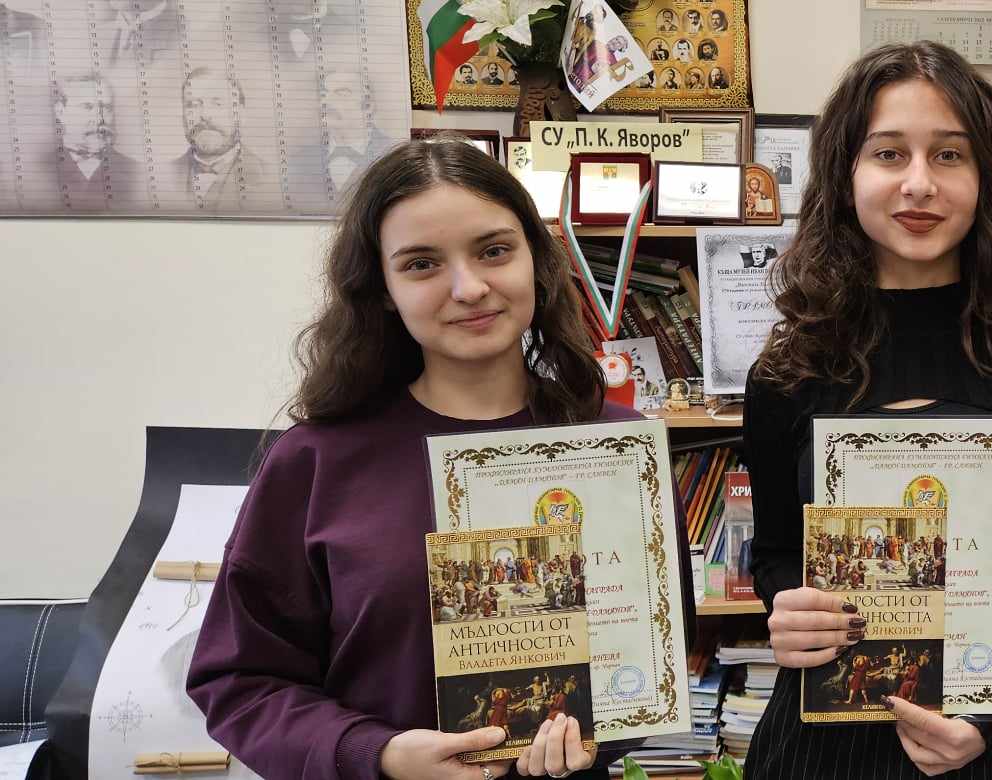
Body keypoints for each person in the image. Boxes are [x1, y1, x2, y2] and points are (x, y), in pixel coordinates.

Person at [187, 138, 694, 779]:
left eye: (494, 251)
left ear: (537, 262)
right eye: (422, 264)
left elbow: (652, 661)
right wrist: (379, 754)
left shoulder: (619, 452)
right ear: (382, 288)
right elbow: (241, 682)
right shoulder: (315, 461)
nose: (469, 287)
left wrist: (599, 736)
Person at [743, 42, 992, 778]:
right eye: (889, 154)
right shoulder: (789, 372)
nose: (919, 183)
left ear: (986, 177)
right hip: (826, 742)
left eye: (949, 155)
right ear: (846, 174)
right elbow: (778, 552)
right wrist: (786, 603)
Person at [177, 68, 269, 211]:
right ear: (182, 115)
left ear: (241, 115)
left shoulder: (270, 177)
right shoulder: (160, 175)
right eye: (194, 105)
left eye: (217, 104)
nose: (205, 114)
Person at [50, 74, 142, 211]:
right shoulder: (41, 169)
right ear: (60, 112)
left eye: (107, 108)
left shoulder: (136, 173)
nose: (100, 119)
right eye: (87, 107)